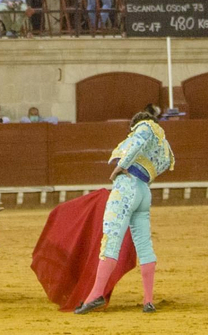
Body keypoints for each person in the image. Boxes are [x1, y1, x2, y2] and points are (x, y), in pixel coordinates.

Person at [74, 105, 175, 314]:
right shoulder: (164, 146)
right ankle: (148, 300)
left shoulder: (145, 126)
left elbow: (137, 142)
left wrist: (120, 167)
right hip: (144, 191)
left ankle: (95, 295)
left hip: (126, 186)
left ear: (135, 124)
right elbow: (164, 164)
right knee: (144, 244)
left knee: (111, 239)